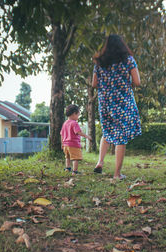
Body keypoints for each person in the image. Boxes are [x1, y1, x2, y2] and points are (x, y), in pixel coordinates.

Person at [92, 34, 142, 180]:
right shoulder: (128, 60)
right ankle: (117, 174)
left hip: (105, 101)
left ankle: (100, 162)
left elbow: (94, 84)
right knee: (121, 136)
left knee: (107, 131)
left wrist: (108, 85)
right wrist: (123, 83)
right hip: (123, 101)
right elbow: (137, 81)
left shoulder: (99, 62)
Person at [60, 104, 92, 175]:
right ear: (74, 114)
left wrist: (62, 144)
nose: (78, 117)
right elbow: (78, 132)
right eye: (78, 115)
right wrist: (87, 136)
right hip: (73, 144)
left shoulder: (65, 123)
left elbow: (62, 134)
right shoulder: (74, 123)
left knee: (67, 157)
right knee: (75, 158)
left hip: (65, 145)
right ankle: (75, 171)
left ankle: (67, 168)